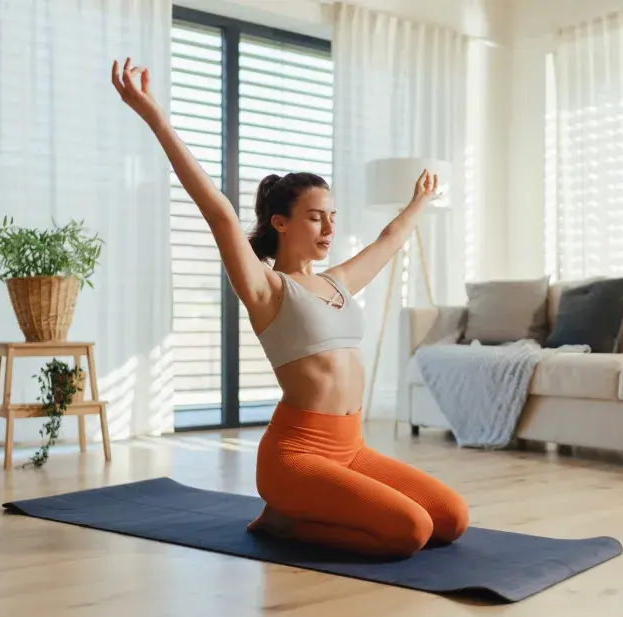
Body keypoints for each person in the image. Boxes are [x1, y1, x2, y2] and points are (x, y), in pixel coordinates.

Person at [111, 58, 469, 557]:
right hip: (297, 455)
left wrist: (420, 201)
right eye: (315, 217)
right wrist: (157, 119)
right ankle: (285, 521)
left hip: (353, 448)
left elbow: (390, 240)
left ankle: (309, 511)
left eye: (333, 217)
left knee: (451, 518)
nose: (328, 228)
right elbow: (218, 212)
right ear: (280, 222)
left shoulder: (338, 282)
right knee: (409, 532)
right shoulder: (267, 288)